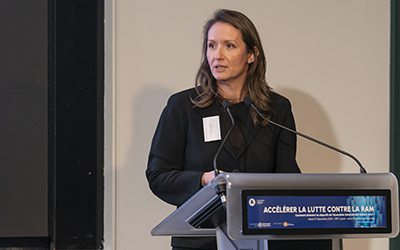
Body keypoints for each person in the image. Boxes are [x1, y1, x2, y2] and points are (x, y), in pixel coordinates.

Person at [146, 9, 303, 250]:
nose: (217, 55)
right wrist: (203, 180)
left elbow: (288, 180)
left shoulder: (276, 109)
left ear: (251, 54)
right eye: (211, 46)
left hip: (260, 238)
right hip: (199, 240)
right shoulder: (183, 107)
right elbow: (158, 176)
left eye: (229, 46)